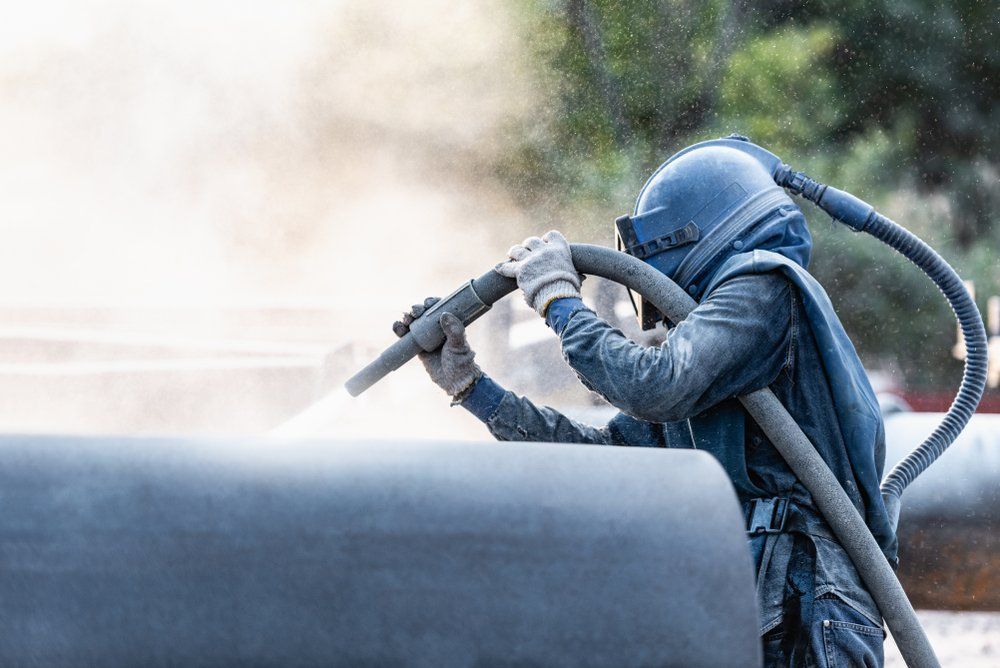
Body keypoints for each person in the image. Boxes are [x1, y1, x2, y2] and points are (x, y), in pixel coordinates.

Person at [394, 138, 895, 667]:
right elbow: (605, 460)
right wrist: (471, 387)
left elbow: (655, 385)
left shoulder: (764, 288)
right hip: (748, 594)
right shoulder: (707, 368)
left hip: (804, 601)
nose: (646, 280)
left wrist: (561, 303)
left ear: (691, 235)